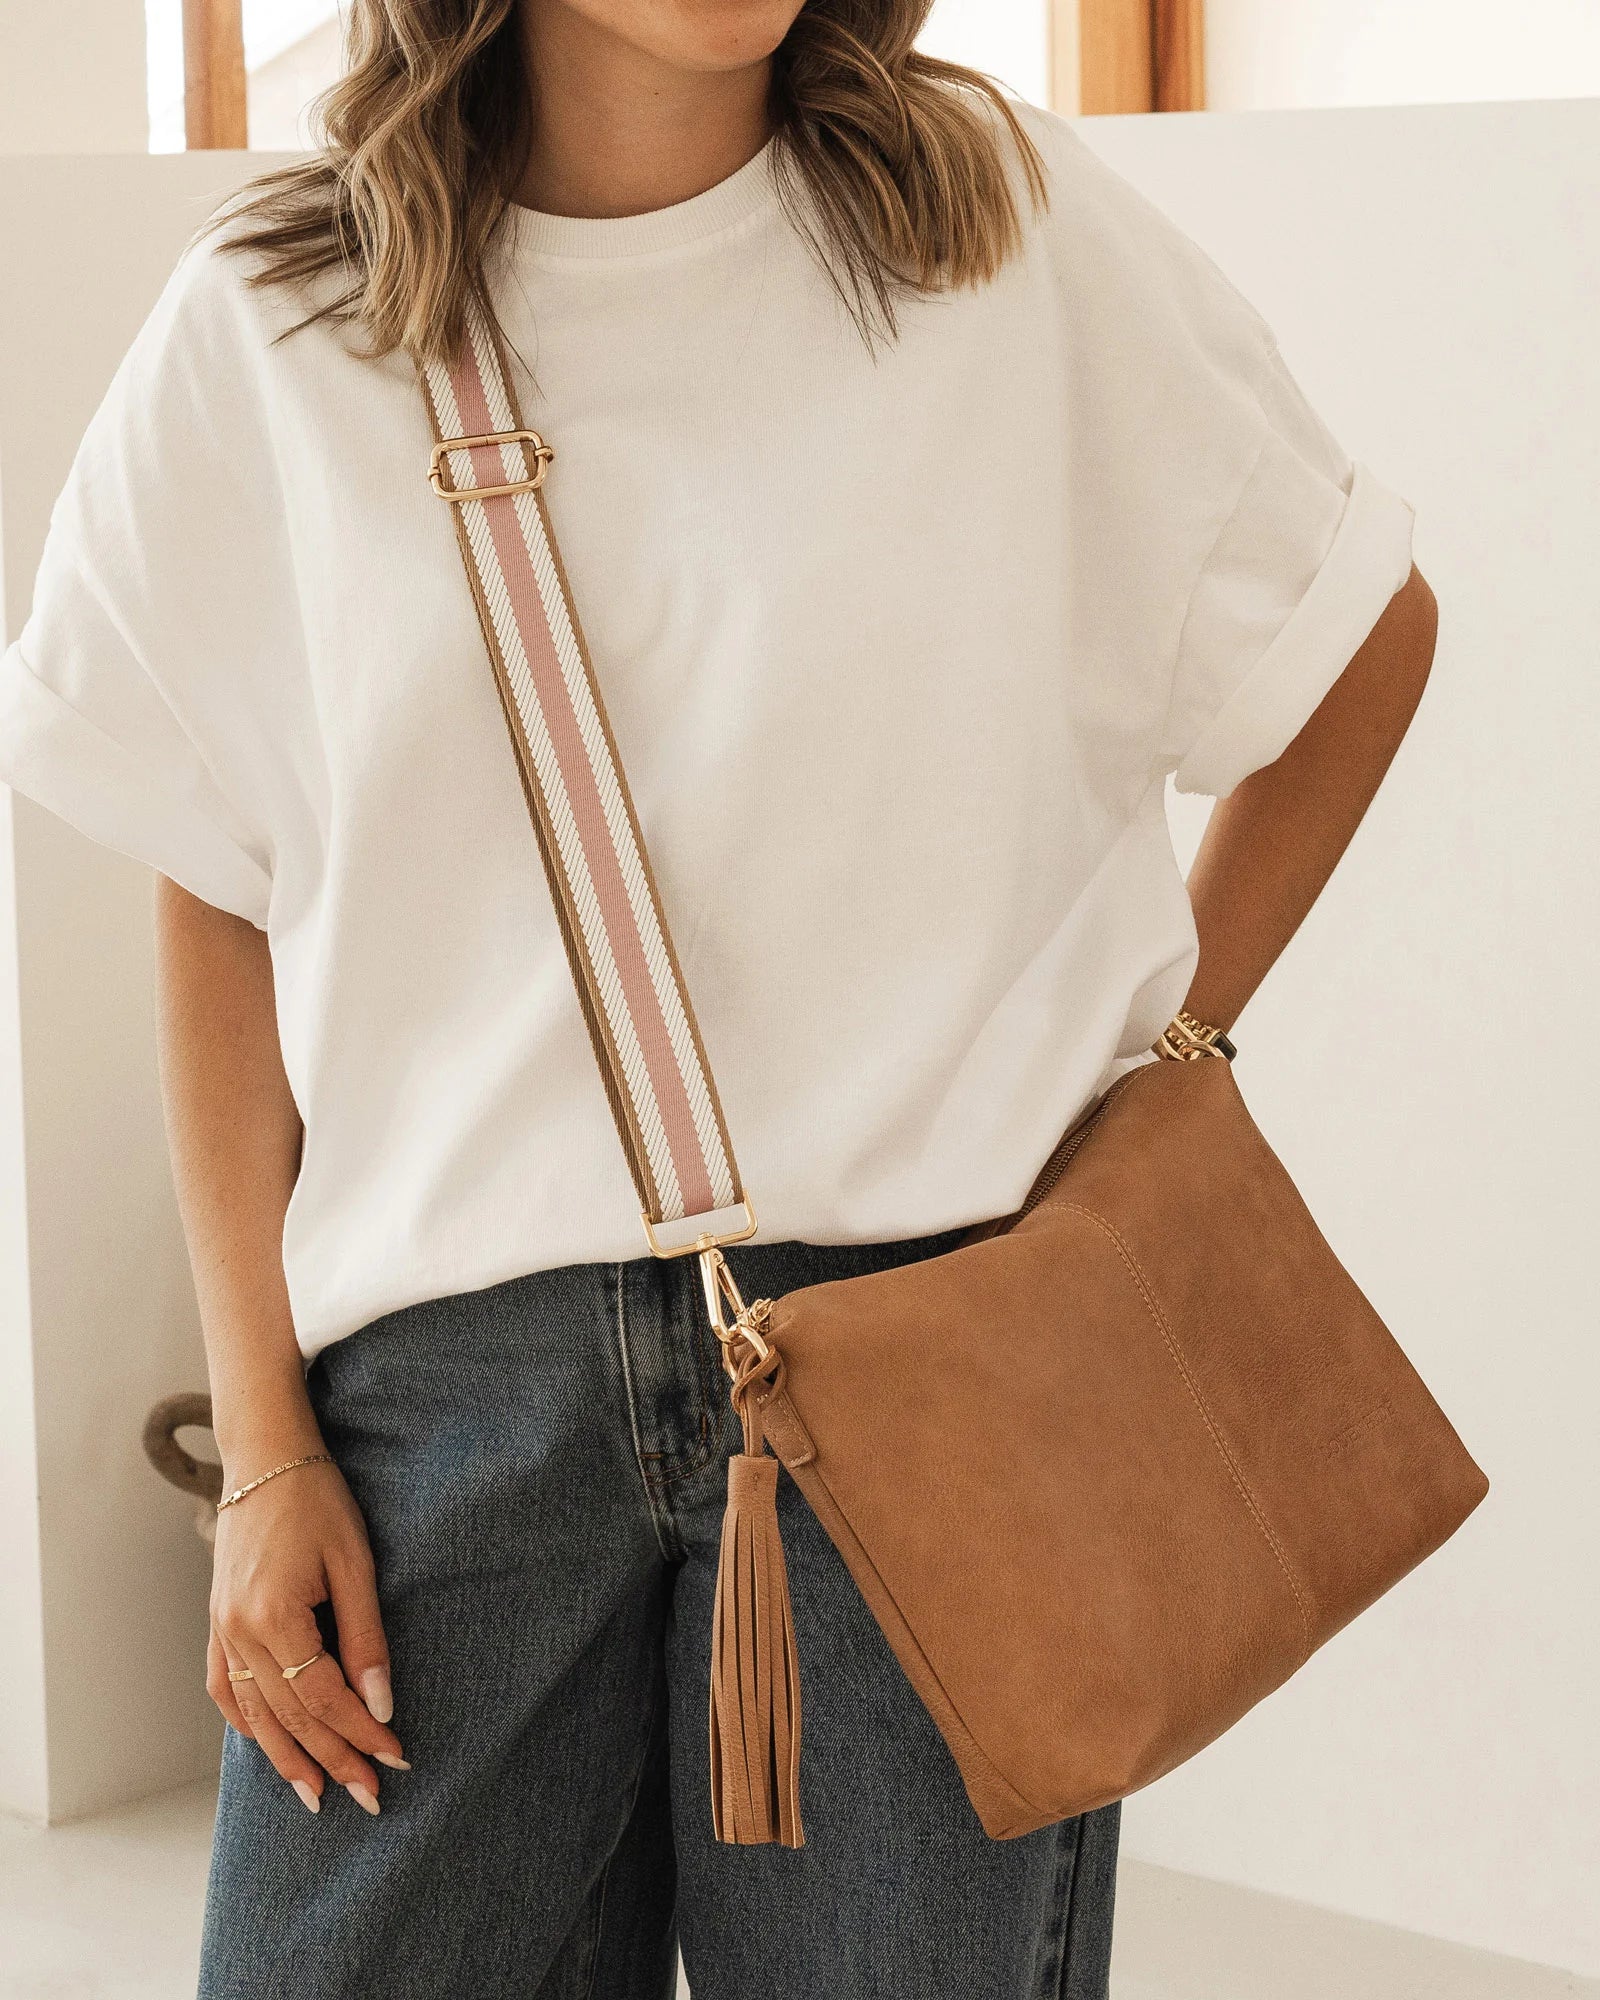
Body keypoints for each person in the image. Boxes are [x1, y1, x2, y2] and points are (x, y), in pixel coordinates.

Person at [0, 1, 1439, 1994]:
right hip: (450, 1419)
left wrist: (1162, 1086)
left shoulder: (996, 238)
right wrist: (264, 1444)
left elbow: (1350, 647)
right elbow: (212, 886)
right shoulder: (276, 327)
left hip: (929, 1380)